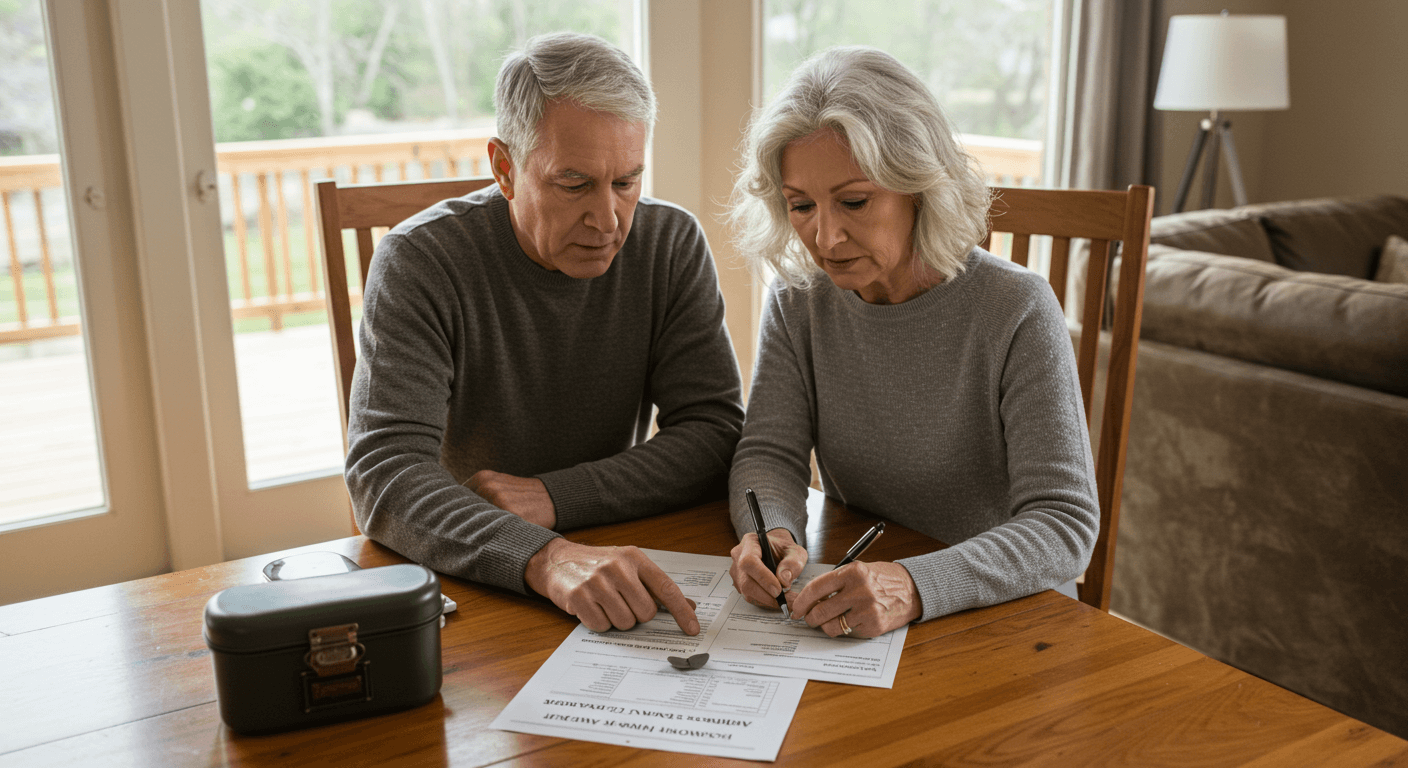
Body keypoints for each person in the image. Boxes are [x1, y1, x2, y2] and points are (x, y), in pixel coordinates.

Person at [345, 32, 745, 636]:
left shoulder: (670, 243)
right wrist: (545, 555)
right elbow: (384, 472)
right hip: (472, 568)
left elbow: (715, 434)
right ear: (504, 168)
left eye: (627, 182)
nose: (608, 220)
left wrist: (556, 498)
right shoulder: (418, 261)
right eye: (574, 184)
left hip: (620, 556)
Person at [725, 46, 1099, 639]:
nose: (825, 235)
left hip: (1012, 621)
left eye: (853, 201)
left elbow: (1064, 524)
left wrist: (913, 585)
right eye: (801, 205)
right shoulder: (800, 300)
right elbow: (770, 452)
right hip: (870, 603)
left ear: (919, 186)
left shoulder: (1017, 308)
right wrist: (775, 533)